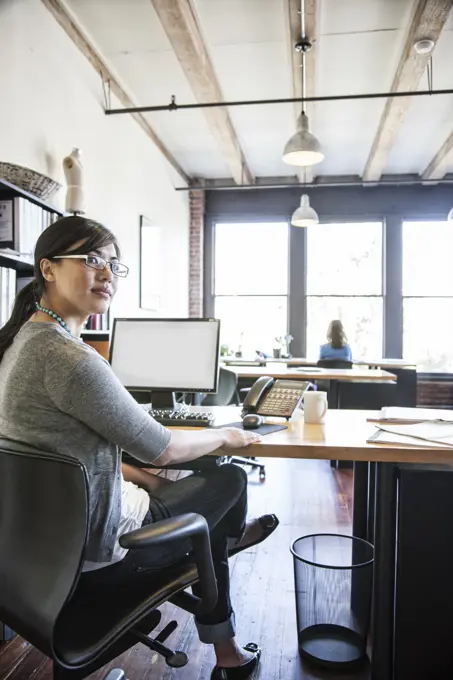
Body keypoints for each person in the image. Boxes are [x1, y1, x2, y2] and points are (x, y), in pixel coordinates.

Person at [0, 216, 279, 680]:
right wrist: (229, 435)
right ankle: (227, 556)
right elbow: (163, 449)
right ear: (47, 269)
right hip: (101, 552)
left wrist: (144, 477)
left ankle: (229, 626)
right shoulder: (70, 359)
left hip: (35, 552)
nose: (108, 274)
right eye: (92, 261)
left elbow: (65, 458)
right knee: (226, 476)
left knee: (182, 494)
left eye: (114, 265)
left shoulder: (17, 345)